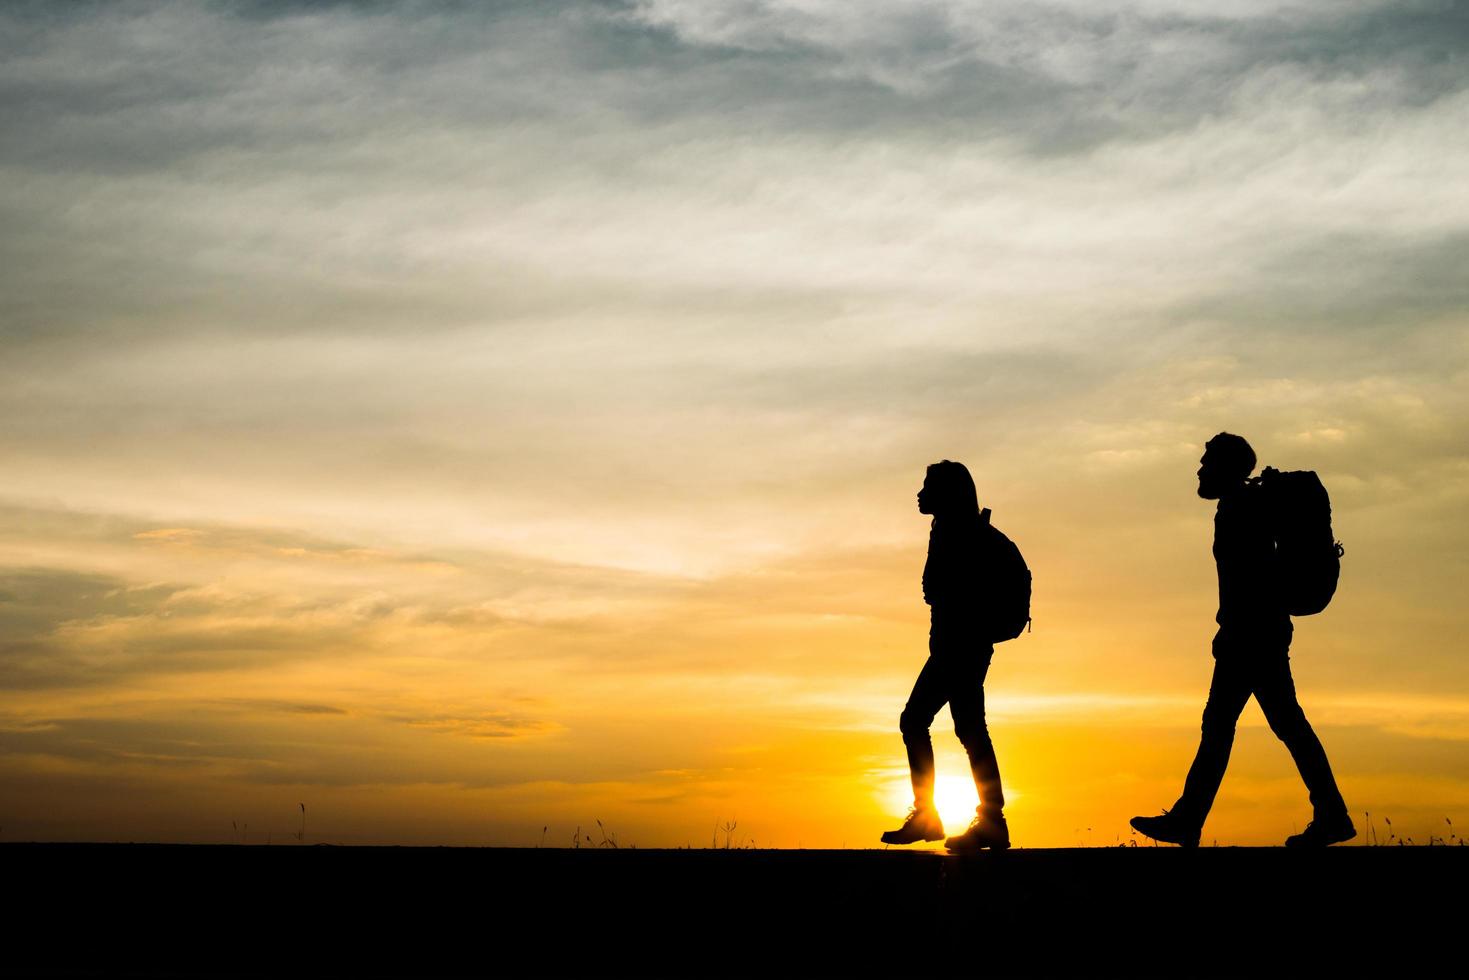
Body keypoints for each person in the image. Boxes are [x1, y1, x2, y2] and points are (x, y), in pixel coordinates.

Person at [1131, 433, 1354, 847]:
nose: (1200, 469)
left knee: (1235, 726)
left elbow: (1252, 579)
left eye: (1207, 461)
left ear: (1228, 468)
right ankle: (1330, 813)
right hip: (1255, 632)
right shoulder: (1241, 506)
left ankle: (1190, 819)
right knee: (1273, 725)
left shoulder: (1240, 509)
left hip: (1251, 635)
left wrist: (1234, 629)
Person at [881, 460, 1017, 852]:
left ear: (948, 493)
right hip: (958, 645)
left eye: (928, 487)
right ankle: (988, 820)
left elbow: (945, 592)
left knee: (917, 721)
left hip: (959, 646)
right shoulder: (948, 529)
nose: (920, 494)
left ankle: (941, 815)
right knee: (969, 730)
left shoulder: (959, 533)